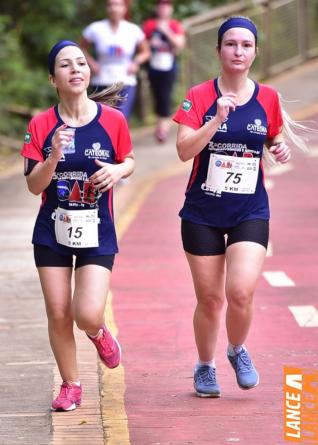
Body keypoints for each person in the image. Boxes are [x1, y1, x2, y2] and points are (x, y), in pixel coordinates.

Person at [173, 16, 304, 397]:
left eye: (246, 45)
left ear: (255, 52)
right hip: (202, 213)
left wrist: (277, 147)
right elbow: (184, 150)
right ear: (218, 50)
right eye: (230, 44)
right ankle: (205, 365)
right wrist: (216, 119)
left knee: (241, 292)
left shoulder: (268, 98)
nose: (238, 51)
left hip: (250, 210)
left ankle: (236, 349)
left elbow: (272, 138)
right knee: (211, 300)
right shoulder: (198, 96)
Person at [21, 40, 135, 411]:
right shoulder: (41, 124)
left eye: (81, 63)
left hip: (97, 229)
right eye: (65, 66)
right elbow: (34, 184)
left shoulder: (112, 120)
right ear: (53, 78)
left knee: (85, 312)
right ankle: (71, 385)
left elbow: (128, 159)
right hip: (52, 230)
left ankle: (98, 333)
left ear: (89, 72)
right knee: (57, 312)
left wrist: (118, 170)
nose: (75, 70)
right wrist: (53, 153)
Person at [80, 0, 150, 120]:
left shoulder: (133, 30)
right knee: (101, 120)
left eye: (117, 4)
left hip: (125, 81)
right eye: (110, 5)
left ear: (125, 8)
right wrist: (91, 63)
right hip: (101, 81)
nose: (114, 8)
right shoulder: (95, 28)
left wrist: (136, 62)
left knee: (120, 119)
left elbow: (146, 51)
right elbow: (80, 48)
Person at [143, 0, 185, 142]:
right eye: (161, 6)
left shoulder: (174, 25)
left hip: (169, 65)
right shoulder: (149, 25)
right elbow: (141, 46)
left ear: (171, 9)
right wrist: (150, 43)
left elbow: (179, 46)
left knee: (165, 95)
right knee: (157, 95)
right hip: (153, 65)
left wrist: (166, 30)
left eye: (166, 6)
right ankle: (160, 124)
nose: (163, 9)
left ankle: (162, 129)